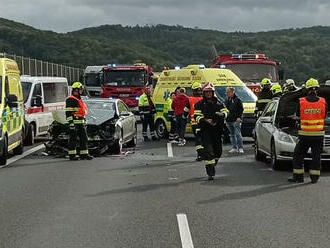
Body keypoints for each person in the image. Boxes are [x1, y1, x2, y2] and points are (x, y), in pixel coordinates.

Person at [288, 78, 328, 184]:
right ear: (317, 89)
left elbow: (297, 116)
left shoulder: (302, 102)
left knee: (298, 156)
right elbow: (323, 116)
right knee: (316, 156)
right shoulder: (323, 102)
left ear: (307, 89)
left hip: (305, 134)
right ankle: (314, 178)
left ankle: (298, 177)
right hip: (318, 134)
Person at [194, 82, 229, 180]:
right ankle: (210, 173)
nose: (209, 94)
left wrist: (222, 115)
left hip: (217, 130)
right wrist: (204, 120)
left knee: (218, 151)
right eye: (207, 92)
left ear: (213, 93)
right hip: (205, 130)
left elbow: (225, 111)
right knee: (209, 151)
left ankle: (213, 163)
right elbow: (196, 116)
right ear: (204, 93)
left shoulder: (219, 103)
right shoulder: (200, 104)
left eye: (210, 92)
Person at [65, 82, 93, 161]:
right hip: (74, 123)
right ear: (76, 90)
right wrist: (71, 124)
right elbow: (68, 113)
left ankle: (84, 154)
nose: (81, 91)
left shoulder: (79, 99)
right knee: (73, 140)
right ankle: (72, 155)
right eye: (80, 89)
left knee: (84, 139)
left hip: (81, 123)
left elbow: (82, 112)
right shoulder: (71, 100)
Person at [186, 82, 203, 160]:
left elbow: (185, 111)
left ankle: (200, 155)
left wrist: (184, 116)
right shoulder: (204, 99)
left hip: (195, 123)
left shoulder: (190, 100)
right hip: (204, 123)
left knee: (198, 139)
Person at [225, 86, 244, 154]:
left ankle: (240, 147)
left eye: (228, 92)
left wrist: (239, 117)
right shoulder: (227, 100)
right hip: (228, 120)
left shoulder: (237, 100)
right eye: (226, 92)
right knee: (232, 135)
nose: (226, 93)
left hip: (236, 120)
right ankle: (234, 148)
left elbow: (241, 109)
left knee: (238, 134)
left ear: (232, 92)